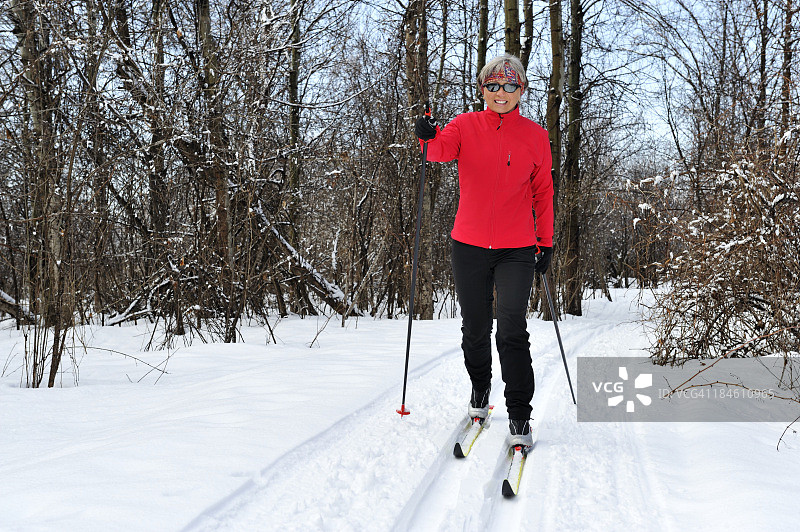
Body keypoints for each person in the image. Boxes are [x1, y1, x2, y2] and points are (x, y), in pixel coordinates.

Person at [414, 54, 553, 447]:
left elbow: (543, 192)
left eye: (510, 86)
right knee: (475, 327)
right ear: (483, 90)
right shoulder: (465, 125)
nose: (501, 93)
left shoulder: (535, 136)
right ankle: (479, 390)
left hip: (517, 248)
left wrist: (547, 242)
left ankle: (520, 416)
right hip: (469, 244)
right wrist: (426, 134)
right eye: (493, 86)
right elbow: (438, 151)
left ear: (521, 90)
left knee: (511, 330)